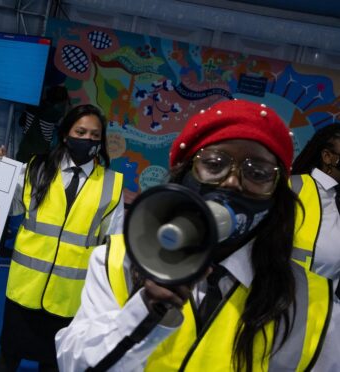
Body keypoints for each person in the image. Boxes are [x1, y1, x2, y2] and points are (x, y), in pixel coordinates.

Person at [56, 99, 339, 371]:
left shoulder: (314, 304)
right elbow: (74, 365)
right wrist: (143, 313)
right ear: (186, 173)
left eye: (258, 172)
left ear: (276, 193)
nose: (231, 181)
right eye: (214, 164)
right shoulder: (117, 261)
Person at [0, 104, 125, 371]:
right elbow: (7, 206)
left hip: (68, 297)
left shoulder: (112, 185)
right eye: (81, 132)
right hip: (24, 288)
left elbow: (113, 247)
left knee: (53, 363)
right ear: (65, 134)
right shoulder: (36, 168)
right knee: (9, 355)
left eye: (95, 136)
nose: (87, 140)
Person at [290, 124, 340, 283]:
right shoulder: (293, 187)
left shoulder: (336, 196)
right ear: (327, 157)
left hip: (330, 305)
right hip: (290, 300)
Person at [15, 85, 70, 163]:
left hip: (26, 144)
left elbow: (21, 122)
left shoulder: (32, 105)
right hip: (42, 148)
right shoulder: (55, 114)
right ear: (62, 101)